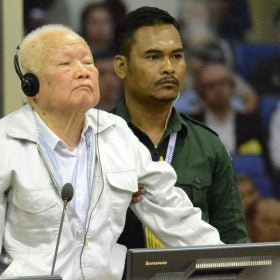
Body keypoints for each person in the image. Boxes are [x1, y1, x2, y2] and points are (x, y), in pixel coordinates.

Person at [0, 24, 223, 280]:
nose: (84, 71)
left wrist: (228, 266)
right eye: (66, 64)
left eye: (88, 62)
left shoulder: (118, 135)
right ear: (31, 85)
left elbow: (176, 216)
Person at [111, 6, 248, 249]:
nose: (169, 68)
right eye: (153, 57)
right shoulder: (97, 141)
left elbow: (233, 243)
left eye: (176, 56)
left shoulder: (208, 146)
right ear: (121, 67)